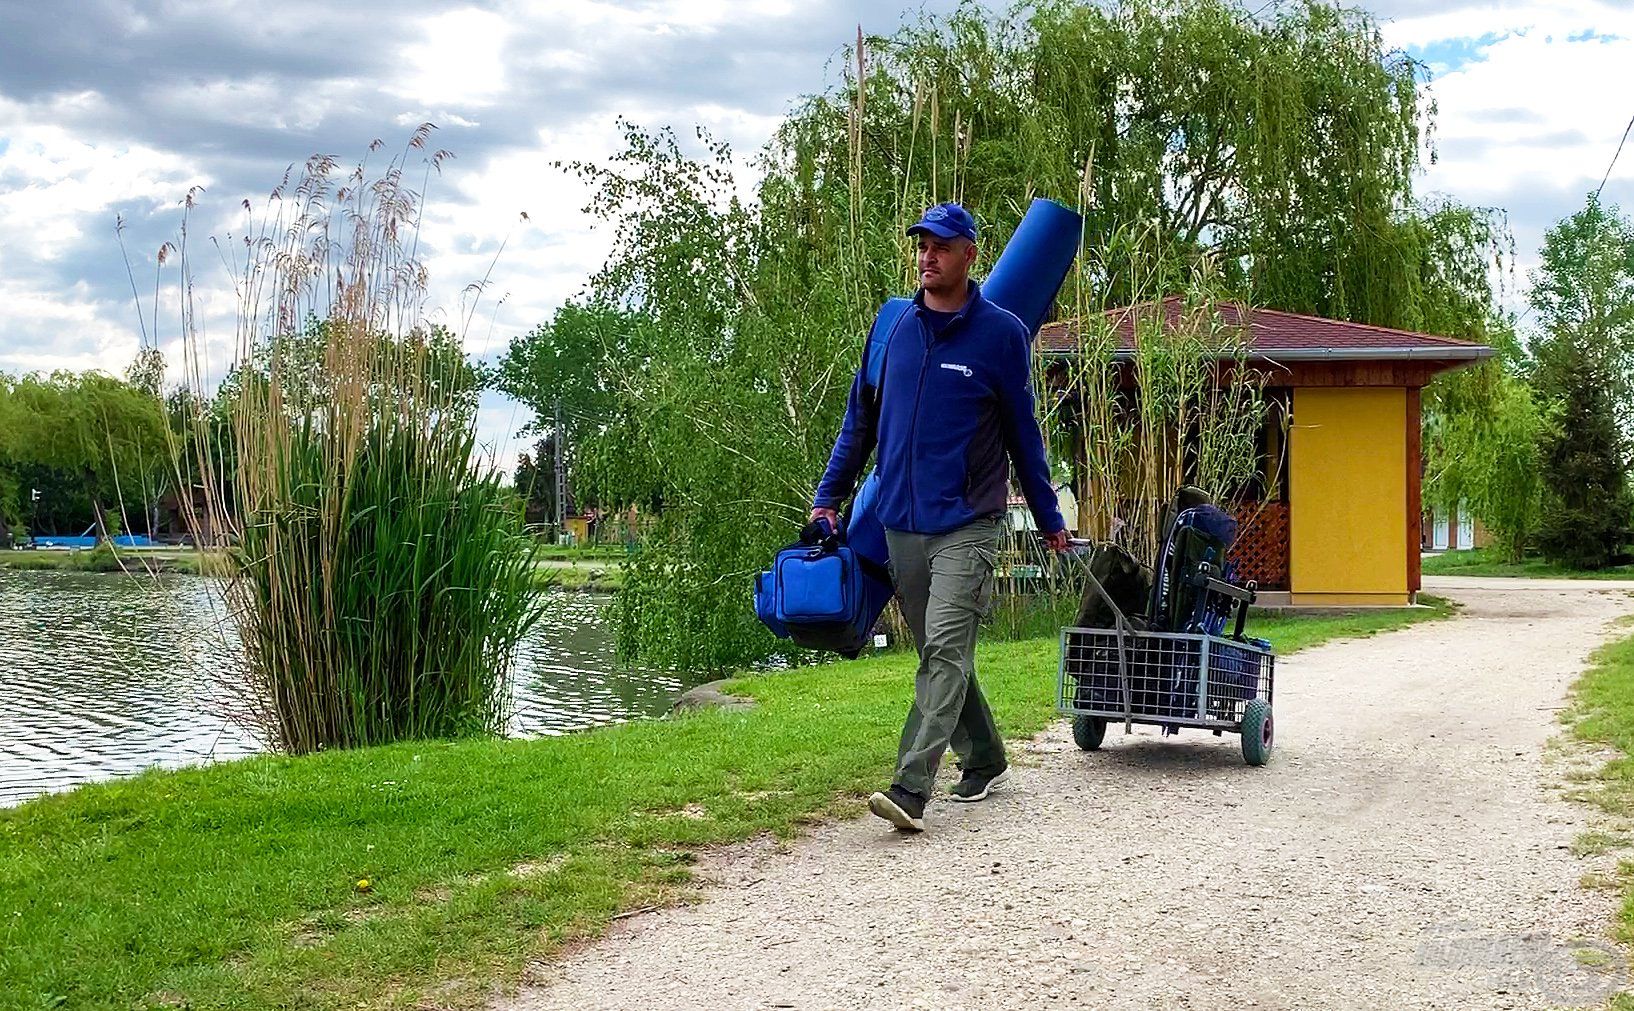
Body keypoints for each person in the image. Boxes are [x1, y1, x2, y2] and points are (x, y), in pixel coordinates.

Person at [811, 201, 1069, 833]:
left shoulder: (1001, 335)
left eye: (942, 246)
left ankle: (910, 787)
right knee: (938, 652)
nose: (928, 256)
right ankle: (984, 756)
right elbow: (860, 423)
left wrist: (1047, 515)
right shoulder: (892, 326)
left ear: (969, 255)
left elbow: (1023, 437)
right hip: (902, 522)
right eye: (922, 245)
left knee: (946, 649)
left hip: (969, 523)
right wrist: (828, 496)